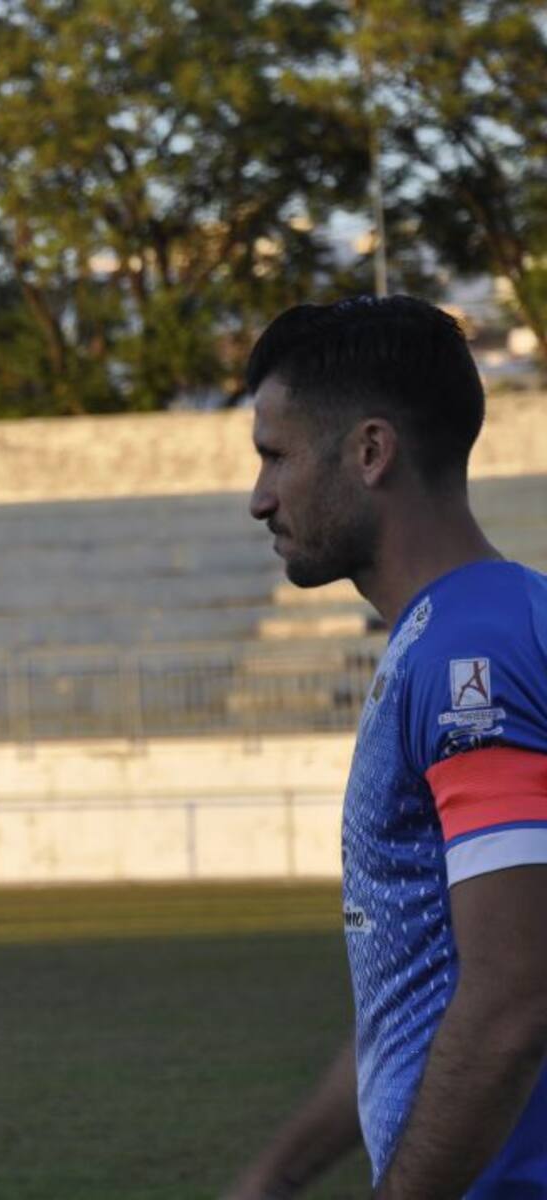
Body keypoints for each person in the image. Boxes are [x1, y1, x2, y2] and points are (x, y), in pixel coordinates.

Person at [226, 296, 547, 1199]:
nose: (259, 498)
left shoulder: (470, 656)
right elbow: (412, 999)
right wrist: (272, 1177)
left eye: (275, 456)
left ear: (370, 452)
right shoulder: (466, 629)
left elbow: (514, 996)